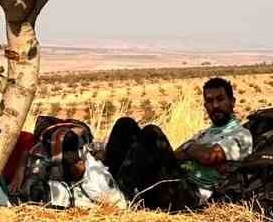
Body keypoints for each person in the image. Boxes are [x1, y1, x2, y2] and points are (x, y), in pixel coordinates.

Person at [104, 77, 253, 210]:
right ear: (205, 106)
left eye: (220, 99)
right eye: (209, 101)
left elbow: (209, 157)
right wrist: (195, 152)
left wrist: (191, 149)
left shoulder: (241, 135)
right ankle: (110, 184)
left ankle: (120, 195)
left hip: (191, 193)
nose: (215, 106)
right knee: (125, 125)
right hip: (174, 179)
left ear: (232, 102)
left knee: (151, 132)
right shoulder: (204, 133)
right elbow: (176, 154)